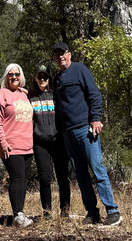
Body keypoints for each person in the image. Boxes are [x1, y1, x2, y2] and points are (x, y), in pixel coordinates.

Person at [51, 41, 121, 226]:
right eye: (57, 55)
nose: (60, 57)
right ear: (54, 59)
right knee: (80, 174)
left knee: (97, 168)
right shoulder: (57, 79)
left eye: (63, 53)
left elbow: (94, 95)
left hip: (85, 129)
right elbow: (59, 107)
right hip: (68, 133)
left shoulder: (80, 70)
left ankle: (113, 211)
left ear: (69, 54)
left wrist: (95, 118)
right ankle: (92, 213)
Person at [0, 62, 34, 227]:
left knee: (23, 180)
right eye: (11, 74)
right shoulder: (0, 94)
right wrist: (2, 142)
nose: (14, 77)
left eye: (17, 74)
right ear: (6, 77)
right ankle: (17, 216)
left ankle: (20, 213)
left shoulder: (25, 94)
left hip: (27, 145)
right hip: (11, 145)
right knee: (16, 178)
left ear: (21, 77)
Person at [29, 63, 71, 217]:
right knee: (45, 178)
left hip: (58, 141)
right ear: (35, 78)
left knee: (62, 177)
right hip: (40, 143)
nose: (42, 79)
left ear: (49, 78)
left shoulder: (55, 96)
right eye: (39, 76)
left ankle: (65, 211)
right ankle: (47, 212)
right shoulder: (30, 97)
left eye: (45, 77)